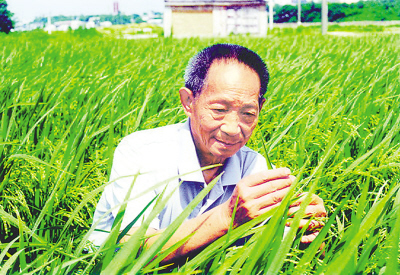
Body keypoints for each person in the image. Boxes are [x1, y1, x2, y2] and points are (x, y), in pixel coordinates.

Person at [89, 43, 326, 263]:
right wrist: (227, 218)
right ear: (188, 101)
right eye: (219, 110)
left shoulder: (253, 165)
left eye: (248, 113)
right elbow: (134, 247)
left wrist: (307, 229)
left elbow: (270, 244)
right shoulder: (140, 152)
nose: (233, 129)